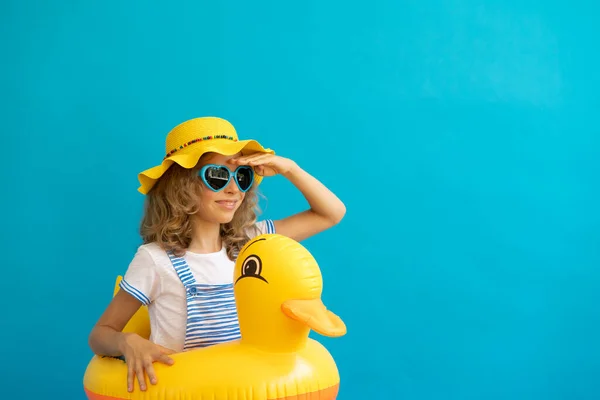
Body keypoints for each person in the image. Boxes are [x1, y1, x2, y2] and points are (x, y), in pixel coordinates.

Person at [87, 116, 346, 393]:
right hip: (190, 391)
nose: (234, 189)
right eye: (218, 176)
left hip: (245, 388)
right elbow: (100, 334)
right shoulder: (155, 260)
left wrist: (290, 169)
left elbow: (331, 213)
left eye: (242, 176)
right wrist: (127, 341)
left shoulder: (250, 244)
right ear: (181, 185)